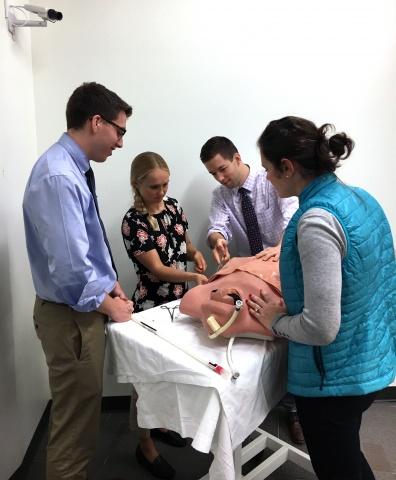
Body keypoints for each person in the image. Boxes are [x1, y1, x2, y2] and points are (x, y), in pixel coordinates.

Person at [248, 115, 396, 480]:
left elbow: (321, 327)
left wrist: (275, 321)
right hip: (368, 357)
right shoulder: (359, 197)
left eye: (268, 169)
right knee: (347, 455)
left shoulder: (316, 221)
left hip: (332, 380)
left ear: (288, 166)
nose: (265, 178)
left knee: (337, 466)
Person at [23, 82, 133, 480]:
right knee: (75, 429)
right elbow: (69, 272)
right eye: (119, 131)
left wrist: (109, 282)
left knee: (83, 420)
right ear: (96, 121)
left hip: (78, 310)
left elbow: (82, 243)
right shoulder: (58, 177)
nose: (120, 142)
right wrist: (111, 304)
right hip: (71, 317)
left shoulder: (73, 168)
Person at [200, 136, 304, 445]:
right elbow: (216, 226)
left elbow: (293, 218)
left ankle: (296, 410)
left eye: (222, 169)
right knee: (257, 341)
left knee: (293, 340)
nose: (220, 178)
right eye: (213, 174)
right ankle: (255, 408)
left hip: (286, 269)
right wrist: (217, 240)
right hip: (254, 276)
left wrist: (281, 249)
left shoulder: (270, 180)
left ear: (236, 157)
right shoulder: (221, 195)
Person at [121, 151, 208, 479]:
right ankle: (144, 444)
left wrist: (196, 254)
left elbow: (183, 245)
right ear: (137, 185)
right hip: (150, 309)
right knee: (144, 378)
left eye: (165, 184)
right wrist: (194, 277)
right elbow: (157, 269)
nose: (161, 191)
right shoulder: (134, 222)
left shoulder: (173, 208)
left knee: (168, 373)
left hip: (178, 306)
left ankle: (158, 425)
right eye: (154, 186)